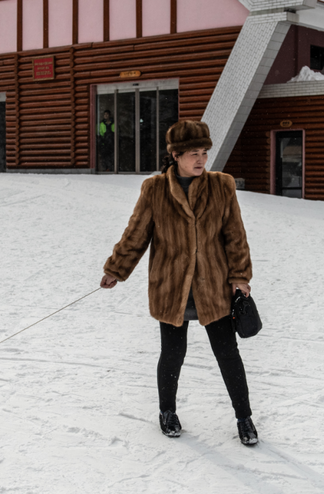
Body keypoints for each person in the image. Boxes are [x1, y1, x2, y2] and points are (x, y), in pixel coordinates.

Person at [100, 120, 258, 446]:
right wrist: (116, 268)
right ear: (175, 155)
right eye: (193, 154)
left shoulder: (221, 186)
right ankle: (167, 412)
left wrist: (240, 277)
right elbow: (136, 234)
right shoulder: (155, 190)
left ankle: (244, 417)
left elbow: (235, 236)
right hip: (172, 287)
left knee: (228, 353)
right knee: (173, 353)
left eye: (204, 152)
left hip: (213, 286)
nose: (201, 159)